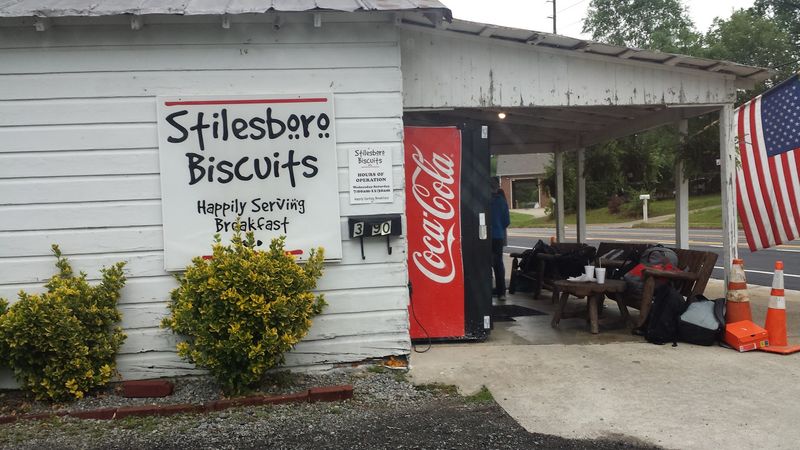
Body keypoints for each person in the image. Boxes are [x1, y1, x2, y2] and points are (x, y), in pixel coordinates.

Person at [490, 177, 510, 300]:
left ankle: (485, 290)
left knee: (484, 264)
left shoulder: (482, 201)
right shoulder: (502, 201)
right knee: (498, 264)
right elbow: (506, 221)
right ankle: (501, 292)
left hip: (484, 236)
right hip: (498, 236)